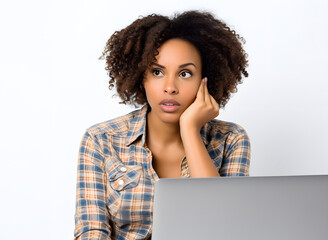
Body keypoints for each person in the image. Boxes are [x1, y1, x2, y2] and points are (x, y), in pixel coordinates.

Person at [74, 10, 250, 240]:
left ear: (205, 80)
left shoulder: (231, 140)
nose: (170, 87)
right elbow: (91, 232)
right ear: (141, 77)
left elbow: (223, 228)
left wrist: (189, 130)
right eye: (157, 72)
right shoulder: (101, 140)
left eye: (185, 73)